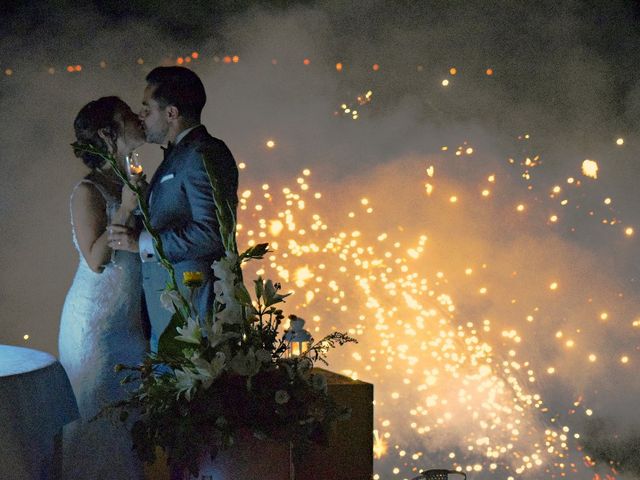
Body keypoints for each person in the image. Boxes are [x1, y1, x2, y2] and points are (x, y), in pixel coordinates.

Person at [109, 66, 239, 352]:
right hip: (169, 310)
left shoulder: (203, 153)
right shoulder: (178, 154)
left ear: (171, 113)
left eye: (147, 109)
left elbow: (211, 232)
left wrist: (139, 242)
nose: (141, 116)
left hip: (196, 309)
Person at [58, 96, 147, 479]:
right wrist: (126, 209)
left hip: (127, 321)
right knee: (98, 425)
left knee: (127, 428)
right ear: (108, 134)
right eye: (128, 115)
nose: (138, 118)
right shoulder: (88, 191)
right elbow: (96, 260)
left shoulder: (128, 180)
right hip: (96, 325)